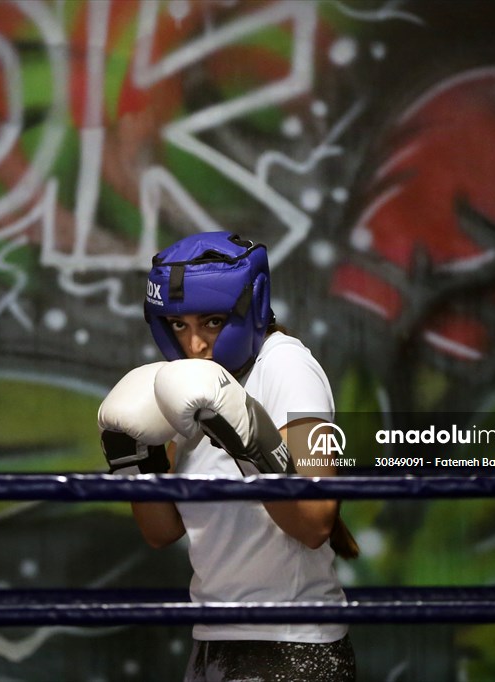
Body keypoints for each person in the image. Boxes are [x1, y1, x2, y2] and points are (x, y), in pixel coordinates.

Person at [98, 232, 358, 681]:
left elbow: (316, 523)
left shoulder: (286, 367)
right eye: (179, 325)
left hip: (294, 643)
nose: (195, 344)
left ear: (250, 308)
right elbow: (162, 531)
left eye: (212, 322)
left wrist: (251, 442)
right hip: (211, 637)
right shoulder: (192, 384)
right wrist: (134, 461)